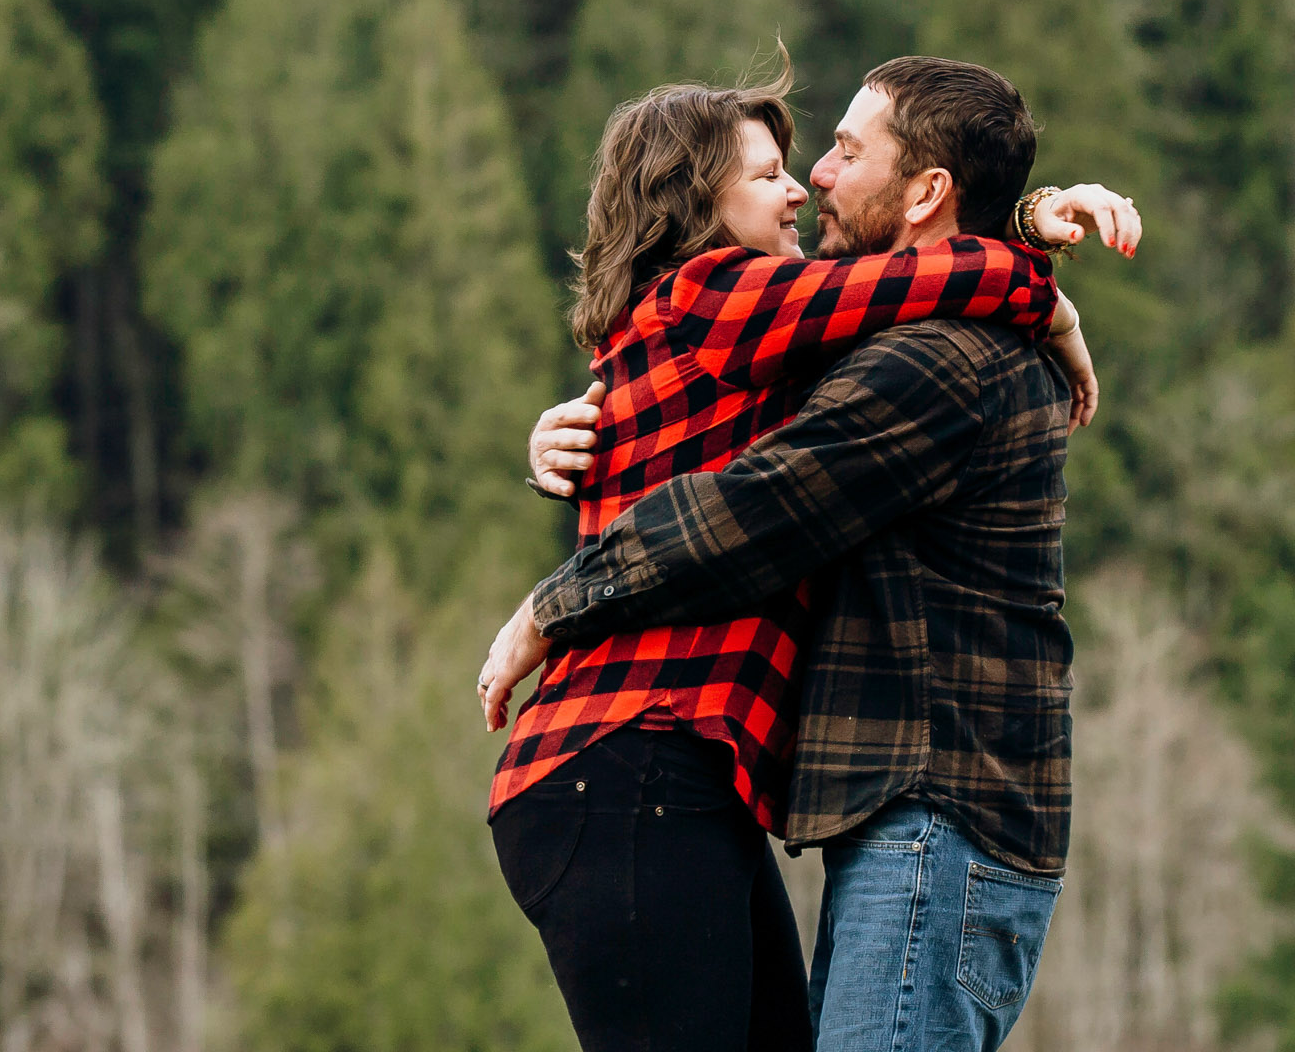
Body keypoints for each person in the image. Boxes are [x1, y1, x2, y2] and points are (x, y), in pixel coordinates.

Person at [479, 53, 1139, 1052]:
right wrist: (1042, 287)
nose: (811, 180)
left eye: (839, 151)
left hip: (879, 802)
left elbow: (756, 502)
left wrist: (552, 603)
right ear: (695, 207)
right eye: (773, 171)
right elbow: (866, 311)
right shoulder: (726, 304)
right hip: (634, 762)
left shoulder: (924, 356)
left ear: (924, 191)